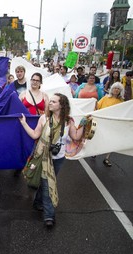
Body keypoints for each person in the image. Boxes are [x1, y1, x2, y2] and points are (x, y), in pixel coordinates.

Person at [19, 93, 84, 228]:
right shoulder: (44, 118)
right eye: (51, 101)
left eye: (54, 102)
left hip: (59, 158)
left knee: (46, 181)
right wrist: (24, 123)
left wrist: (84, 124)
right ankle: (49, 215)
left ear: (61, 105)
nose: (50, 103)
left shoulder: (68, 121)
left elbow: (76, 136)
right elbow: (35, 135)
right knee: (49, 184)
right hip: (43, 157)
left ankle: (37, 203)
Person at [97, 82, 125, 167]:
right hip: (102, 121)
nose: (116, 90)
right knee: (99, 138)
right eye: (115, 88)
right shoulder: (105, 98)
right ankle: (94, 152)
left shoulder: (121, 101)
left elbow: (122, 113)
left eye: (118, 89)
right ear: (111, 89)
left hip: (113, 124)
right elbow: (97, 106)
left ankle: (107, 158)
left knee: (111, 140)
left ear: (120, 91)